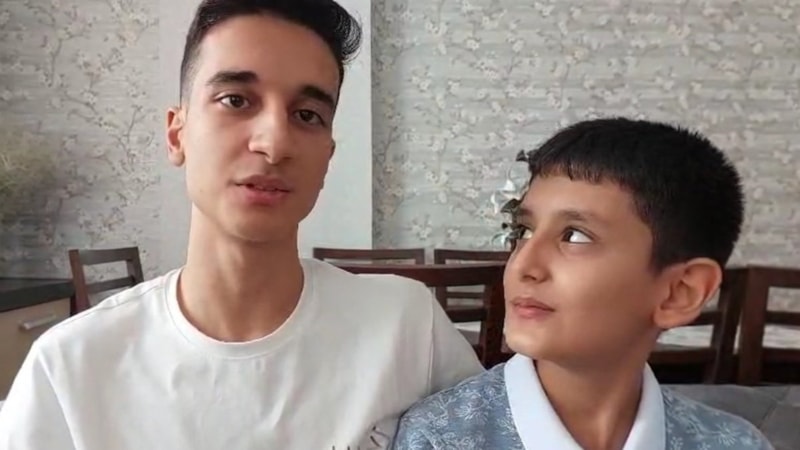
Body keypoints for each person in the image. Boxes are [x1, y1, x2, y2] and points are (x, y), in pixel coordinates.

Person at [0, 1, 483, 448]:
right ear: (177, 134)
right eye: (235, 100)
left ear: (328, 156)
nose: (274, 143)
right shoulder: (71, 368)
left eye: (307, 115)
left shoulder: (408, 329)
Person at [393, 117, 774, 449]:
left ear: (679, 293)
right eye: (523, 231)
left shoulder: (733, 442)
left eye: (575, 236)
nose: (523, 265)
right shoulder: (439, 437)